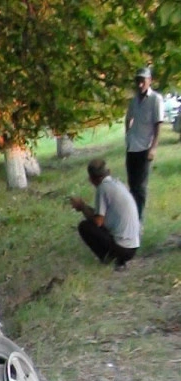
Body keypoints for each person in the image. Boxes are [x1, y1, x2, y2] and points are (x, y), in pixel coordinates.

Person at [70, 158, 139, 271]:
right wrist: (85, 207)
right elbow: (100, 216)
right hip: (133, 246)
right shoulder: (117, 183)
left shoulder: (103, 188)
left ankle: (110, 259)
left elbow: (98, 221)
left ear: (92, 179)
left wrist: (82, 207)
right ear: (109, 172)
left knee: (85, 227)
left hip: (123, 248)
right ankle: (117, 259)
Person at [124, 66, 165, 221]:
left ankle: (138, 219)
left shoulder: (156, 99)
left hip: (145, 146)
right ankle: (132, 216)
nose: (140, 85)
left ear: (149, 81)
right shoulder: (134, 100)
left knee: (140, 186)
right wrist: (127, 135)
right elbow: (128, 118)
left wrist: (153, 147)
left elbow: (158, 125)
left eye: (143, 81)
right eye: (137, 81)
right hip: (132, 146)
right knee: (132, 184)